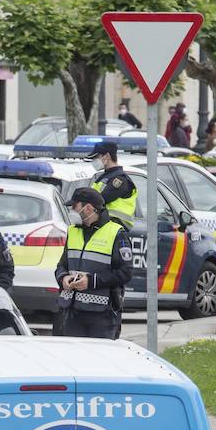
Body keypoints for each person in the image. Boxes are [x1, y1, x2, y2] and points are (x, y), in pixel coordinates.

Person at [54, 188, 132, 339]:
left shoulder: (117, 234)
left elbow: (125, 273)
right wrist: (63, 277)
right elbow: (62, 265)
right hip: (71, 312)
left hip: (102, 316)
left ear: (88, 208)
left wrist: (92, 281)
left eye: (75, 206)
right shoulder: (73, 231)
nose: (72, 211)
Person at [86, 141, 138, 227]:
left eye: (96, 157)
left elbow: (100, 200)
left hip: (116, 226)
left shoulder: (120, 179)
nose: (94, 161)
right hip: (104, 224)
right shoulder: (103, 177)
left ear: (107, 156)